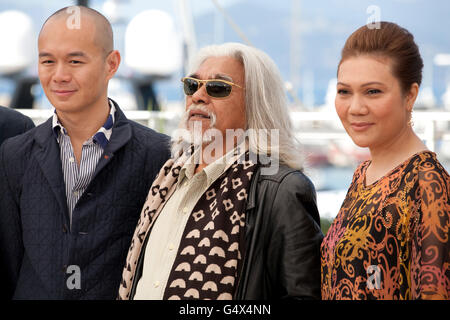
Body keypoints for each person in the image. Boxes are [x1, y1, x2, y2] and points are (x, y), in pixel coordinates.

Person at [118, 42, 323, 300]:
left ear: (256, 104)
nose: (198, 96)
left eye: (218, 88)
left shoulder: (281, 190)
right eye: (192, 85)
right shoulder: (167, 180)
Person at [0, 6, 170, 299]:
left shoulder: (159, 156)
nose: (59, 75)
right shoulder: (14, 154)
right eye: (48, 61)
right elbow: (9, 261)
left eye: (75, 61)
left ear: (111, 64)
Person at [321, 22, 450, 300]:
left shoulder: (427, 184)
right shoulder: (363, 174)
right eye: (344, 91)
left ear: (410, 95)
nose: (355, 108)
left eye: (373, 92)